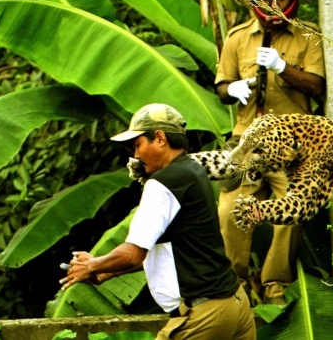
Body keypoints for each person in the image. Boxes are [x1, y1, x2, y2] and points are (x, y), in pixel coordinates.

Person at [59, 103, 255, 340]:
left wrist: (90, 266)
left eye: (138, 144)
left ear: (160, 138)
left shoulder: (163, 183)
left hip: (205, 315)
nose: (136, 155)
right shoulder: (193, 171)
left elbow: (133, 253)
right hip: (236, 305)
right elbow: (172, 252)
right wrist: (106, 271)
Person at [214, 0, 326, 305]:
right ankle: (237, 285)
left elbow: (316, 85)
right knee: (229, 211)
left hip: (292, 143)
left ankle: (275, 284)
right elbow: (221, 86)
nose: (272, 5)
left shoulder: (307, 36)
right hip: (246, 138)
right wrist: (232, 89)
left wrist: (282, 68)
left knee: (292, 209)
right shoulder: (237, 39)